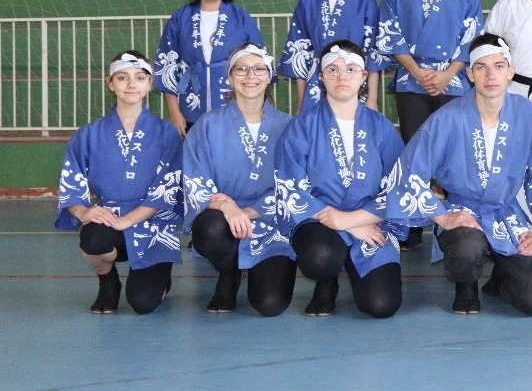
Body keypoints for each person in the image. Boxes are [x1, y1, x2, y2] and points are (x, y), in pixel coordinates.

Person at [386, 34, 532, 316]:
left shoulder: (528, 114)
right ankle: (465, 286)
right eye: (481, 67)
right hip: (462, 211)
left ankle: (501, 280)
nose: (491, 75)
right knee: (466, 245)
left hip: (506, 214)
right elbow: (408, 172)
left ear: (511, 71)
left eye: (499, 66)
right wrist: (443, 216)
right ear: (470, 74)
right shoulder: (447, 118)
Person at [274, 40, 405, 318]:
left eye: (350, 69)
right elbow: (289, 186)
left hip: (370, 221)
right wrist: (340, 221)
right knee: (320, 257)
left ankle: (355, 266)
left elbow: (399, 186)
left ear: (363, 76)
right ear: (321, 77)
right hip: (319, 220)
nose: (341, 76)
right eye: (332, 70)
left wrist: (353, 221)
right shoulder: (302, 126)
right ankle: (326, 282)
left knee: (381, 305)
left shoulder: (381, 127)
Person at [375, 0, 482, 252]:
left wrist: (448, 73)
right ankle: (408, 225)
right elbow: (389, 31)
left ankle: (455, 224)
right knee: (413, 151)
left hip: (454, 82)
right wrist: (417, 71)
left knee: (455, 152)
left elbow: (472, 34)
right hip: (411, 81)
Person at [56, 51, 182, 314]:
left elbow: (168, 188)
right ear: (111, 83)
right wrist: (84, 212)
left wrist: (127, 221)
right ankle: (108, 281)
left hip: (153, 225)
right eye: (122, 77)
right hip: (110, 218)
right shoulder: (88, 134)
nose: (131, 84)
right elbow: (71, 182)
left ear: (150, 84)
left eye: (140, 77)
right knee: (92, 239)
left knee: (143, 303)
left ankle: (161, 276)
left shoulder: (166, 133)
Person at [184, 44, 295, 316]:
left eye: (258, 69)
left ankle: (263, 265)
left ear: (269, 76)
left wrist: (248, 212)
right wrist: (227, 207)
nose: (250, 76)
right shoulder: (208, 125)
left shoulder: (289, 126)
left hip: (272, 222)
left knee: (270, 304)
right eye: (241, 69)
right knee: (209, 229)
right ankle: (228, 271)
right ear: (230, 77)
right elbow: (196, 180)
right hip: (224, 220)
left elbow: (296, 185)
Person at [155, 0, 265, 136]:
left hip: (234, 103)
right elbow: (168, 65)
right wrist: (174, 113)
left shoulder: (241, 18)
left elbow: (260, 63)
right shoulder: (180, 18)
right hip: (190, 104)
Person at [278, 0, 384, 109]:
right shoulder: (307, 3)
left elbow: (372, 55)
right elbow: (300, 53)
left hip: (354, 82)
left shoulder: (366, 4)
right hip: (316, 83)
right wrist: (301, 102)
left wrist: (372, 99)